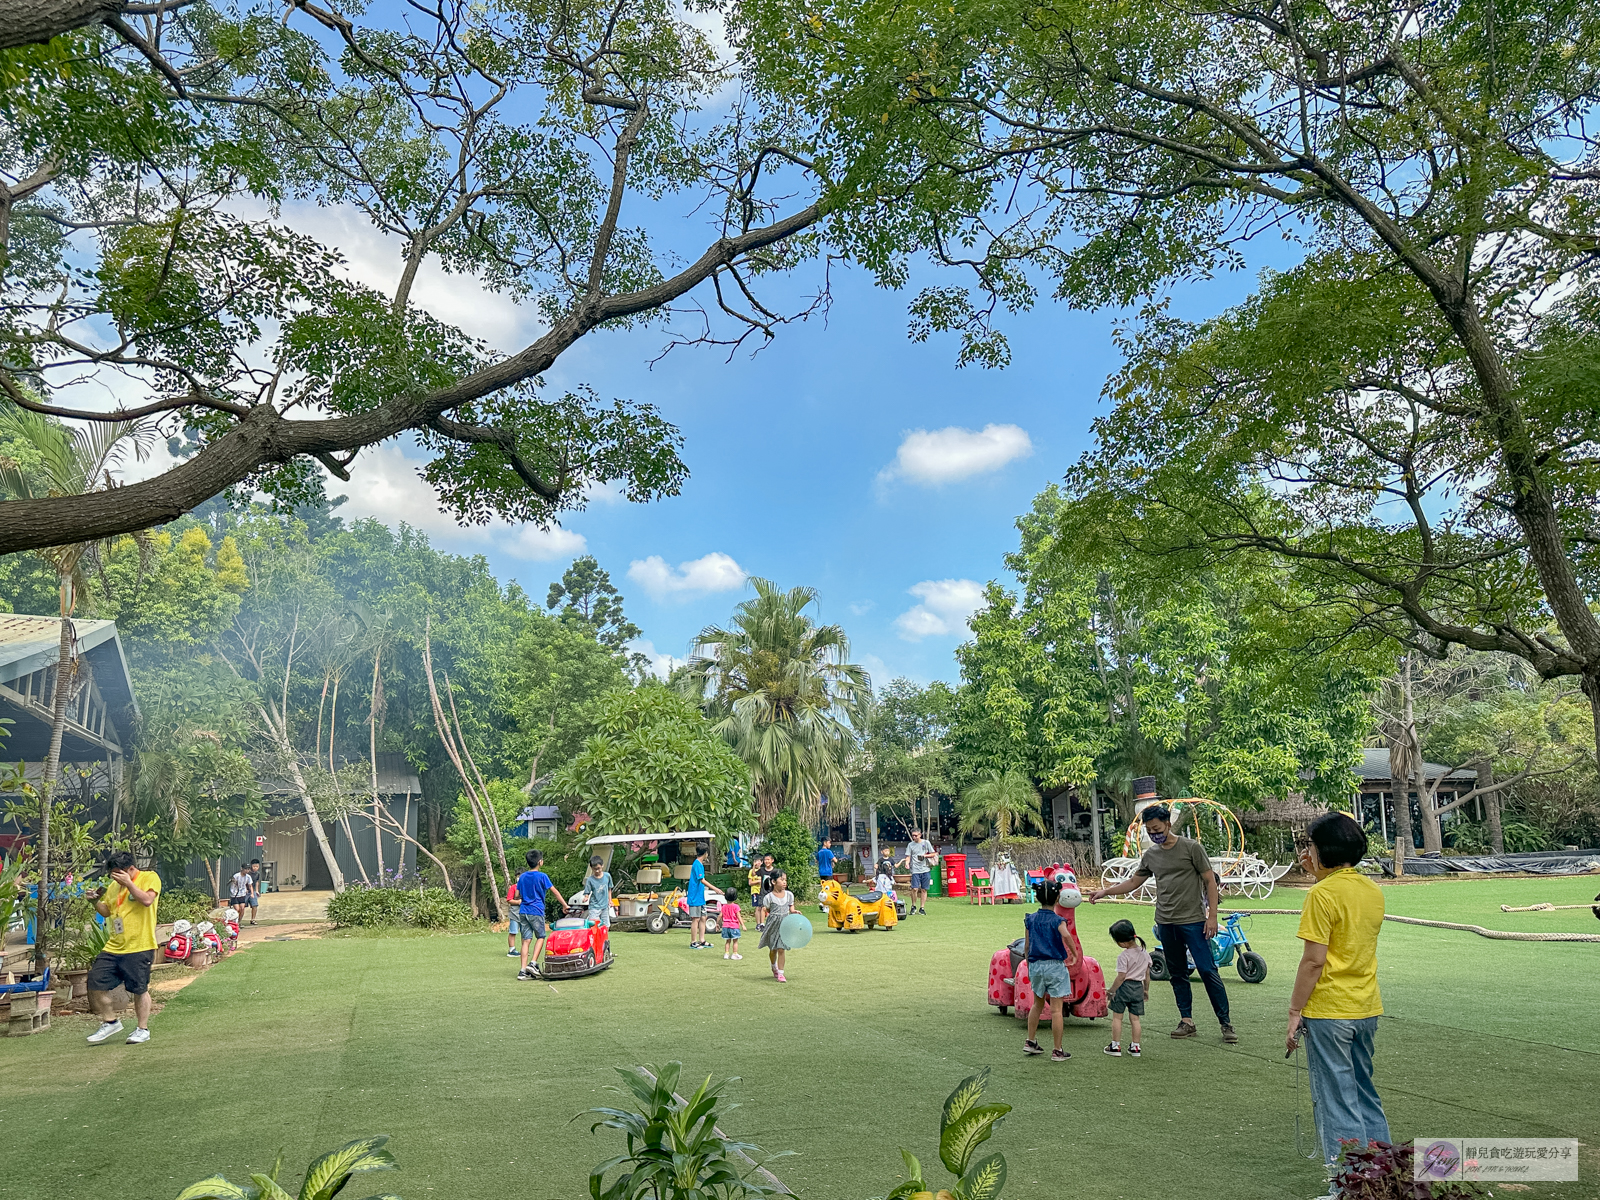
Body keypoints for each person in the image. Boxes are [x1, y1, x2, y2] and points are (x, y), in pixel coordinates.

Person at [1287, 812, 1389, 1190]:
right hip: (1365, 1007)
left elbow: (1314, 961)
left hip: (1330, 1010)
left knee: (1337, 1103)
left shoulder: (1323, 894)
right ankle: (1385, 1182)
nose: (1306, 854)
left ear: (1323, 849)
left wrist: (1295, 1010)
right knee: (1364, 1095)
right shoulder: (1371, 890)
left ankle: (1348, 1189)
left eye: (1310, 847)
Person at [1089, 803, 1237, 1044]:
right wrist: (1105, 891)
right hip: (1166, 922)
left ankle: (1226, 1023)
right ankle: (1186, 1021)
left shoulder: (1191, 848)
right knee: (1177, 973)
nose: (1154, 834)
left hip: (1194, 921)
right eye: (1149, 830)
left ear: (1168, 824)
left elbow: (1210, 881)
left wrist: (1212, 916)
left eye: (1157, 828)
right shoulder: (1152, 855)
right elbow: (1133, 882)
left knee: (1208, 970)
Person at [86, 850, 162, 1045]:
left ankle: (142, 1029)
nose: (116, 879)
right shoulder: (114, 887)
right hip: (114, 946)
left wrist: (129, 883)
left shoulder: (149, 877)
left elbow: (147, 900)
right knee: (95, 981)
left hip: (140, 945)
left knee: (139, 989)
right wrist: (95, 901)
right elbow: (107, 911)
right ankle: (110, 1021)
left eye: (118, 874)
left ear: (130, 868)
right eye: (113, 875)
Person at [1022, 877, 1077, 1061]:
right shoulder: (1058, 920)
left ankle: (1030, 1041)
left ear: (1037, 897)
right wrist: (1074, 953)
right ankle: (1058, 1050)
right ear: (1057, 898)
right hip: (1055, 966)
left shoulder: (1030, 919)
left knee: (1037, 1004)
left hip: (1036, 965)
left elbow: (1027, 946)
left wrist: (1029, 963)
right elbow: (1066, 935)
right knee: (1056, 1010)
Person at [514, 849, 567, 980]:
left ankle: (522, 971)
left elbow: (516, 895)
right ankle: (533, 963)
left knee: (526, 941)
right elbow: (554, 891)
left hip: (523, 911)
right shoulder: (542, 876)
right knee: (541, 936)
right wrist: (565, 905)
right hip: (536, 911)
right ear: (540, 862)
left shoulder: (523, 877)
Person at [1103, 919, 1151, 1057]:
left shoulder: (1124, 956)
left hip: (1124, 988)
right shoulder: (1145, 953)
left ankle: (1115, 1046)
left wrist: (1111, 991)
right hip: (1138, 988)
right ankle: (1136, 1047)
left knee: (1117, 1018)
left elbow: (1121, 977)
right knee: (1135, 1019)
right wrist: (1146, 990)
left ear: (1122, 942)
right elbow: (1147, 974)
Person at [758, 871, 798, 981]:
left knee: (781, 949)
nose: (785, 882)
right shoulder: (768, 897)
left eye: (785, 880)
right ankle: (773, 966)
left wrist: (794, 912)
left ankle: (781, 973)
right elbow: (766, 910)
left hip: (785, 925)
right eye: (782, 880)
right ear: (773, 881)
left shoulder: (789, 895)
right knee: (773, 949)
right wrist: (762, 923)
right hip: (773, 925)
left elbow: (791, 907)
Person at [900, 829, 935, 915]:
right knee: (914, 888)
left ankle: (922, 908)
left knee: (924, 889)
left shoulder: (926, 843)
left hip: (925, 869)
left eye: (916, 835)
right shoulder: (910, 845)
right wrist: (907, 863)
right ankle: (913, 906)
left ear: (920, 835)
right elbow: (908, 856)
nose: (914, 837)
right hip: (915, 870)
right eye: (913, 835)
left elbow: (933, 854)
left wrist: (925, 856)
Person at [686, 842, 713, 948]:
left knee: (703, 918)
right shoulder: (697, 864)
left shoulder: (700, 864)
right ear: (705, 853)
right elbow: (702, 880)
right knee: (696, 919)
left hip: (700, 897)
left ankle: (702, 940)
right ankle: (693, 941)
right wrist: (715, 889)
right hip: (694, 897)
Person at [580, 855, 613, 927]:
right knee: (593, 925)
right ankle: (594, 938)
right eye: (595, 869)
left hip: (605, 906)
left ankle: (605, 938)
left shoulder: (607, 876)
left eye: (599, 868)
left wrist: (610, 900)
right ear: (591, 868)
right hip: (594, 906)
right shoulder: (590, 880)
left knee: (606, 925)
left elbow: (609, 889)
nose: (597, 871)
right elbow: (587, 892)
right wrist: (586, 897)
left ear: (602, 866)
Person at [755, 853, 778, 931]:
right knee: (763, 908)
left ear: (772, 860)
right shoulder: (761, 870)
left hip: (772, 892)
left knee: (772, 908)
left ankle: (772, 924)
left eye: (768, 859)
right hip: (763, 892)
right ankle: (762, 924)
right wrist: (754, 866)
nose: (766, 861)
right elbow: (754, 874)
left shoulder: (775, 871)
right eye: (765, 860)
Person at [719, 887, 743, 960]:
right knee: (735, 941)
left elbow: (720, 915)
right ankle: (734, 954)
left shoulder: (724, 906)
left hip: (725, 926)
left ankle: (726, 953)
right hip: (734, 926)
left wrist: (717, 923)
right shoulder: (736, 906)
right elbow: (738, 916)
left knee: (727, 941)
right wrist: (743, 925)